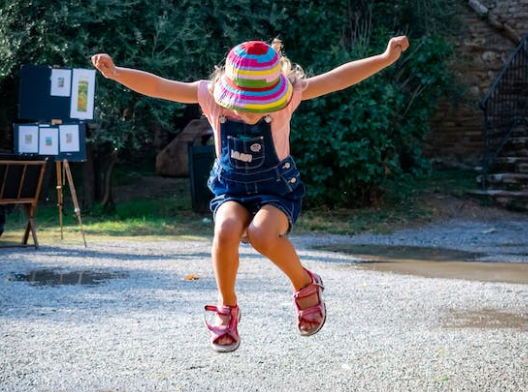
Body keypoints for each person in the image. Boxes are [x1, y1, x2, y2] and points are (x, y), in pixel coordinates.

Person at [91, 35, 409, 352]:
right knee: (226, 229)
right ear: (229, 93)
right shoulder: (210, 96)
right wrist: (117, 72)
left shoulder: (290, 95)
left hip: (277, 189)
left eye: (262, 105)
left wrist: (384, 59)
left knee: (261, 234)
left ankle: (305, 285)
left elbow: (338, 78)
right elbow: (160, 86)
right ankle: (227, 308)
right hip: (231, 188)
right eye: (244, 105)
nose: (251, 114)